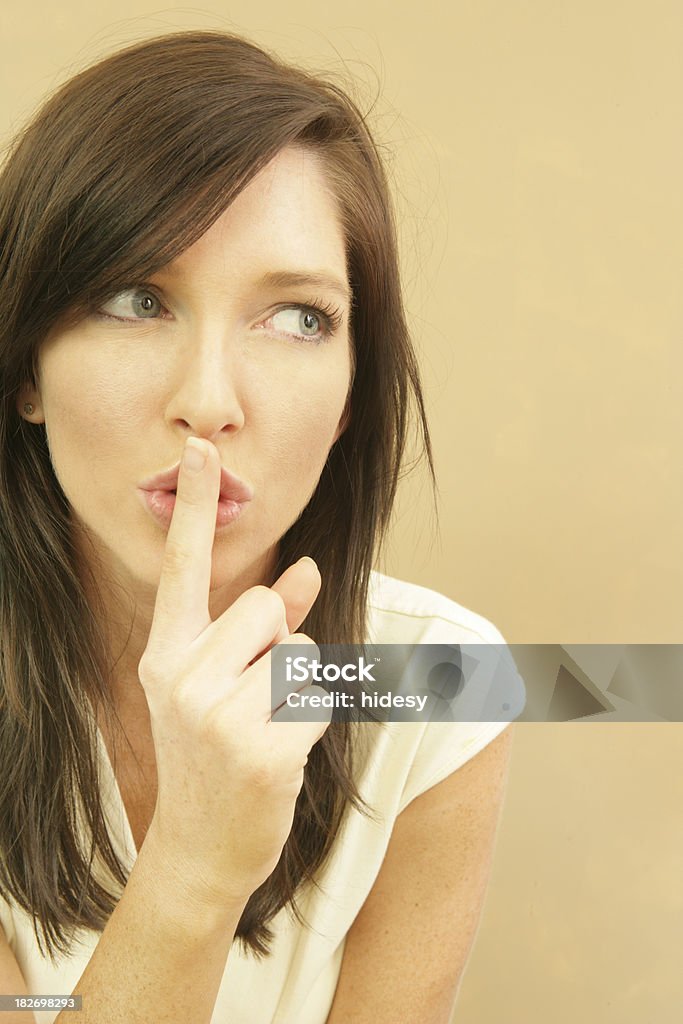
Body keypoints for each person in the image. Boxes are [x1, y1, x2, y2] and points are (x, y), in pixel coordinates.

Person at [0, 30, 521, 1024]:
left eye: (296, 318)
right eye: (134, 299)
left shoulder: (441, 679)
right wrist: (192, 869)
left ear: (353, 394)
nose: (208, 400)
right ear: (25, 365)